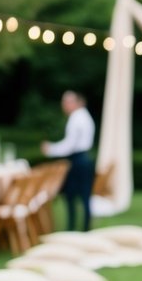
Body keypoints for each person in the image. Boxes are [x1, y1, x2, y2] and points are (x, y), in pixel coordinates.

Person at [41, 90, 96, 232]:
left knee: (71, 195)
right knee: (84, 195)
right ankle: (84, 228)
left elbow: (70, 145)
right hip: (84, 159)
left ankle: (73, 227)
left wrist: (51, 149)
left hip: (78, 160)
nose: (64, 105)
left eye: (67, 102)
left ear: (76, 103)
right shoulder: (84, 116)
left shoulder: (76, 118)